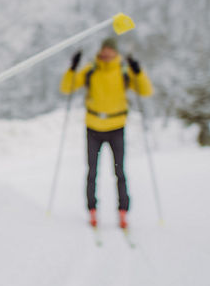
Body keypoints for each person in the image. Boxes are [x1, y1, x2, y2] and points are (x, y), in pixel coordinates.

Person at [59, 36, 154, 229]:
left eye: (110, 50)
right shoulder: (91, 69)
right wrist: (72, 68)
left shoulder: (123, 70)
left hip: (116, 127)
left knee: (119, 171)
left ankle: (123, 211)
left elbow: (145, 91)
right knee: (92, 171)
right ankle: (92, 209)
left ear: (115, 52)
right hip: (93, 127)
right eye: (105, 50)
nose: (107, 53)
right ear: (101, 50)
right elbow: (66, 87)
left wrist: (138, 71)